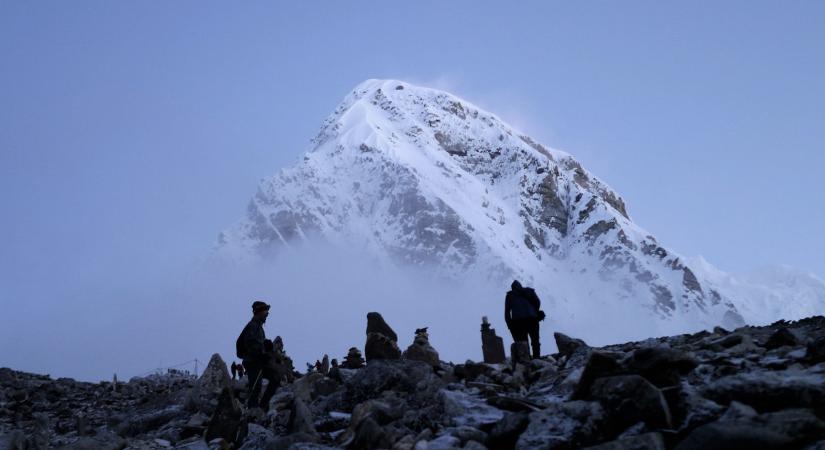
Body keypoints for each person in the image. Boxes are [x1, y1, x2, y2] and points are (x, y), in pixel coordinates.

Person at [239, 300, 279, 410]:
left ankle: (261, 407)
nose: (267, 314)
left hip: (258, 361)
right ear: (259, 312)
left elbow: (257, 343)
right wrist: (262, 352)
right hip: (252, 362)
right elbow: (251, 344)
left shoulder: (258, 327)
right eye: (266, 311)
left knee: (275, 378)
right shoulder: (253, 326)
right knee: (255, 387)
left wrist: (266, 346)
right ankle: (252, 411)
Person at [504, 280, 544, 359]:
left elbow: (507, 312)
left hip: (518, 322)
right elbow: (538, 302)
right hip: (532, 319)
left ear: (512, 288)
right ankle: (537, 359)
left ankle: (527, 360)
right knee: (535, 340)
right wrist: (535, 312)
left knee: (523, 342)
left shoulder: (510, 295)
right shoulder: (529, 291)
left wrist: (509, 325)